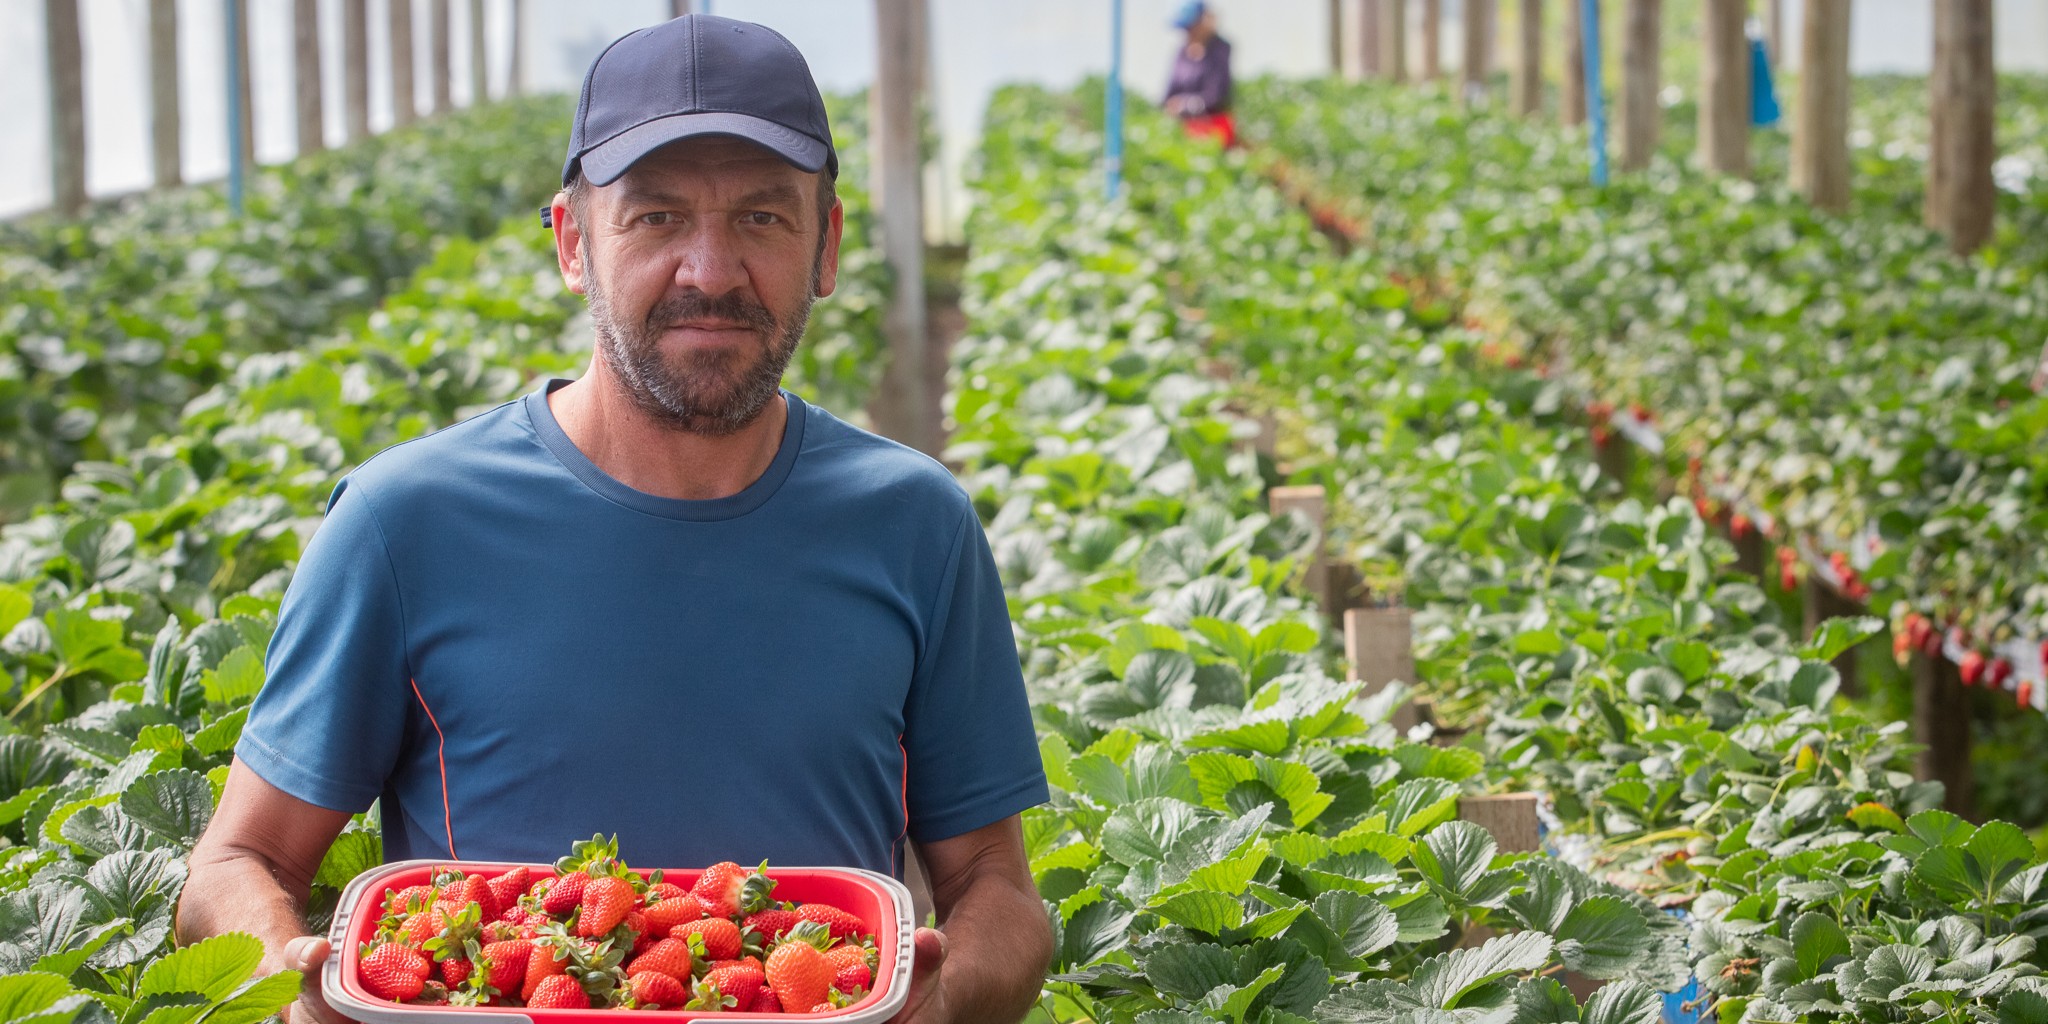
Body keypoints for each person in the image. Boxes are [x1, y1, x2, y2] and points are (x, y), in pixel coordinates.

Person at [174, 14, 1053, 1024]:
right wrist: (298, 982)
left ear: (827, 246)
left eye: (763, 218)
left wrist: (936, 1007)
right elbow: (236, 860)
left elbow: (998, 884)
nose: (710, 270)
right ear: (571, 243)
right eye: (654, 218)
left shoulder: (916, 525)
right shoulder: (403, 523)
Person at [1162, 1, 1236, 148]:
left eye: (1191, 27)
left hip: (1214, 128)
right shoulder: (1182, 53)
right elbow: (1167, 95)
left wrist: (1183, 105)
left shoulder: (1220, 50)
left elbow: (1215, 96)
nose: (1188, 33)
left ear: (1203, 22)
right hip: (1184, 128)